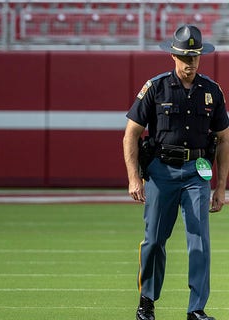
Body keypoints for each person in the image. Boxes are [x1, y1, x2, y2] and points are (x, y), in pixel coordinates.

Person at [123, 25, 229, 320]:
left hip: (197, 172)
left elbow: (223, 138)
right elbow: (131, 133)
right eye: (184, 56)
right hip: (161, 172)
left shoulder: (211, 91)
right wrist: (134, 177)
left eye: (194, 56)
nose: (189, 62)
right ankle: (147, 301)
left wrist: (221, 187)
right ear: (173, 55)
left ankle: (196, 308)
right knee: (154, 238)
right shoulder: (155, 88)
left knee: (199, 240)